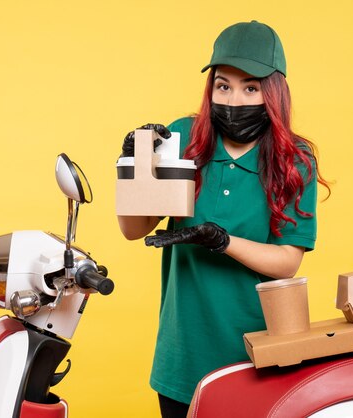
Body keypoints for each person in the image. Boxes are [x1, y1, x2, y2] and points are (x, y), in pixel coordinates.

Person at [117, 20, 331, 418]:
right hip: (183, 357)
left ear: (273, 92)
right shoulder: (184, 139)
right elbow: (133, 230)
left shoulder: (294, 161)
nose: (233, 99)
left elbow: (288, 260)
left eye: (251, 87)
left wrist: (222, 241)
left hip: (258, 356)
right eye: (223, 85)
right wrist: (135, 167)